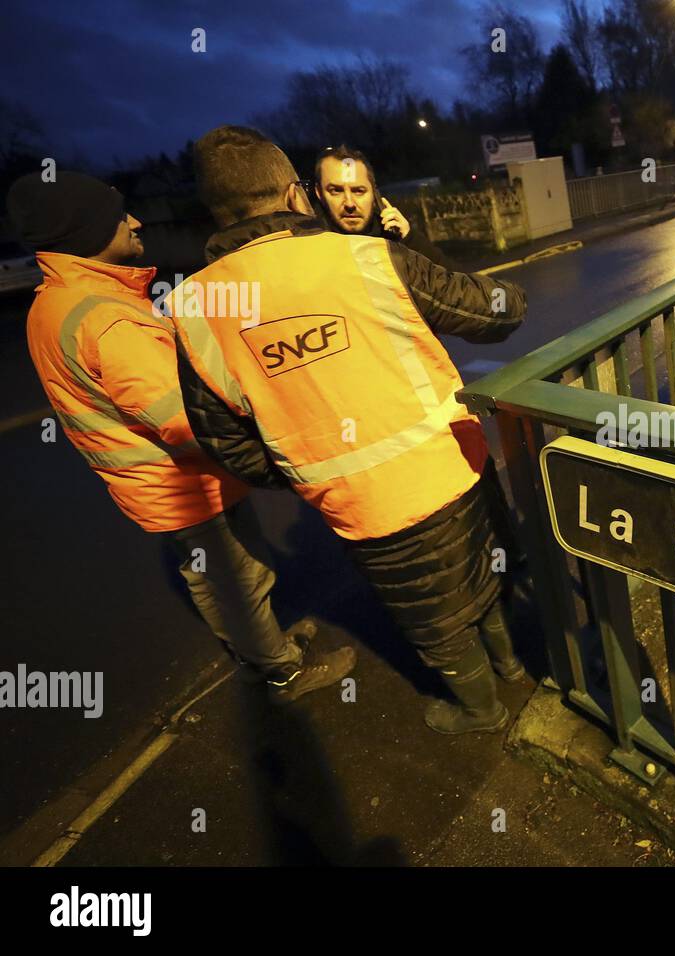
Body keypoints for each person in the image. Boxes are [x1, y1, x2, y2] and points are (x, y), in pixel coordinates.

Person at [171, 126, 527, 735]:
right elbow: (500, 311)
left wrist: (302, 465)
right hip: (452, 463)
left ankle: (481, 708)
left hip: (360, 506)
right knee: (480, 575)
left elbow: (223, 441)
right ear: (296, 194)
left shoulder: (193, 308)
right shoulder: (366, 258)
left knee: (431, 618)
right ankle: (506, 678)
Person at [6, 171, 355, 702]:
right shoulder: (105, 319)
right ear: (86, 233)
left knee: (219, 577)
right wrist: (265, 445)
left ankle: (262, 650)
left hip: (154, 482)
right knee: (240, 580)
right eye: (119, 216)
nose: (135, 221)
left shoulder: (56, 302)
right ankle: (280, 669)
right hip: (182, 481)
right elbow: (182, 418)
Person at [313, 144, 456, 268]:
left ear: (374, 193)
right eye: (336, 191)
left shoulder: (392, 236)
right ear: (319, 193)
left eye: (358, 191)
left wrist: (410, 239)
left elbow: (454, 282)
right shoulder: (309, 247)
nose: (349, 203)